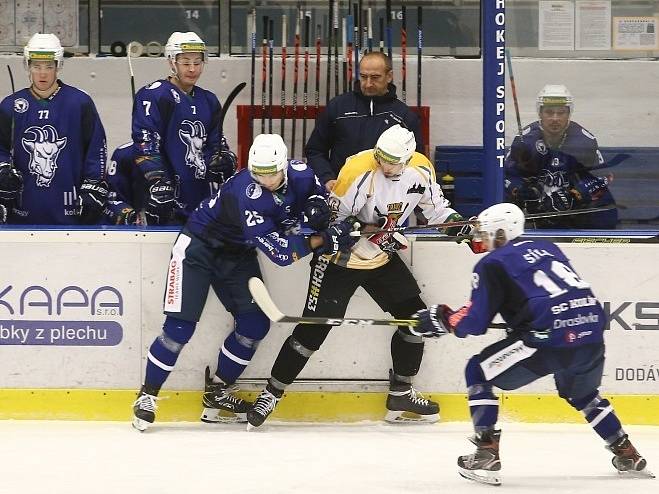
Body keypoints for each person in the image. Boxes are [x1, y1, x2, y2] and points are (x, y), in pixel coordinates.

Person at [246, 125, 473, 429]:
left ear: (406, 159)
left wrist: (458, 224)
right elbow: (330, 218)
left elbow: (436, 210)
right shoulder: (358, 168)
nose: (383, 164)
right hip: (339, 259)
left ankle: (401, 393)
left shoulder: (420, 170)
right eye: (380, 156)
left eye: (392, 161)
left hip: (380, 258)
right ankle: (271, 394)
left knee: (414, 319)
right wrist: (357, 228)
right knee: (312, 332)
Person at [411, 203, 651, 485]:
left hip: (547, 338)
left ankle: (486, 452)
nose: (481, 238)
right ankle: (627, 453)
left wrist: (445, 321)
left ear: (501, 233)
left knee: (478, 371)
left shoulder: (492, 263)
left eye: (486, 233)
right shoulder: (548, 248)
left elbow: (475, 322)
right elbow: (545, 295)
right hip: (590, 334)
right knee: (584, 395)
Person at [131, 133, 357, 431]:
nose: (265, 180)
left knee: (254, 326)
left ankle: (217, 392)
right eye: (258, 174)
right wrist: (323, 238)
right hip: (198, 248)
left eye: (271, 173)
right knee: (179, 328)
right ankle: (147, 396)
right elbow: (281, 254)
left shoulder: (301, 172)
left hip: (236, 253)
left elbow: (317, 196)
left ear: (284, 166)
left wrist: (320, 214)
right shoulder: (246, 194)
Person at [0, 33, 108, 225]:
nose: (43, 73)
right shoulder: (10, 106)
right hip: (22, 211)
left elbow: (95, 148)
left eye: (49, 66)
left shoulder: (79, 102)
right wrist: (3, 171)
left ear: (58, 66)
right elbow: (1, 149)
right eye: (36, 66)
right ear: (28, 65)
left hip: (70, 210)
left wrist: (92, 186)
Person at [131, 31, 237, 226]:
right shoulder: (154, 95)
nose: (192, 68)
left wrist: (223, 160)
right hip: (162, 199)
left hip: (201, 198)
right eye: (186, 62)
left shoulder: (209, 100)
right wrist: (158, 180)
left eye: (197, 62)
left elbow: (216, 144)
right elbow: (145, 143)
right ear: (172, 62)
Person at [305, 51, 423, 192]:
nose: (368, 84)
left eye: (375, 77)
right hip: (341, 193)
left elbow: (416, 161)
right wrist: (327, 178)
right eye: (363, 77)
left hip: (387, 198)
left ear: (389, 76)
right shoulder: (338, 107)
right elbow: (315, 150)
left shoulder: (404, 116)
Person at [504, 84, 617, 229]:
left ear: (569, 113)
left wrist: (575, 195)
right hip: (533, 219)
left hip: (575, 216)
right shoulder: (525, 141)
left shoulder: (583, 141)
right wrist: (518, 189)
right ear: (540, 113)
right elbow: (505, 175)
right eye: (549, 112)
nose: (555, 118)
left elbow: (603, 177)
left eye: (561, 112)